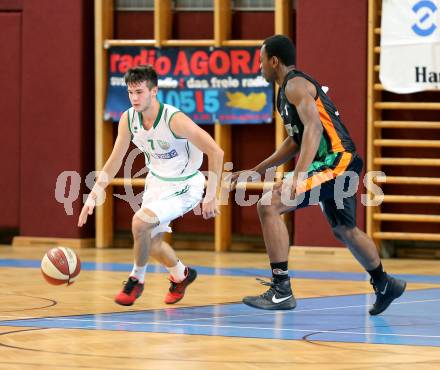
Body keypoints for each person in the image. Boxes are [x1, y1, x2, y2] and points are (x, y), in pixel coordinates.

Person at [231, 35, 406, 314]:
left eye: (261, 59)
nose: (259, 66)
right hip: (341, 161)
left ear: (273, 61)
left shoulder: (295, 85)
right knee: (344, 229)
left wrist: (298, 178)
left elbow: (313, 128)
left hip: (335, 160)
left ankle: (281, 290)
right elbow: (296, 140)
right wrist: (258, 169)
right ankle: (385, 283)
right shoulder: (283, 93)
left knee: (269, 205)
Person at [78, 65, 224, 306]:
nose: (134, 98)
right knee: (152, 244)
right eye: (130, 92)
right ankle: (181, 276)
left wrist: (212, 195)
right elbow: (115, 159)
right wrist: (94, 193)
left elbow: (216, 152)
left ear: (154, 91)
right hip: (156, 182)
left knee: (139, 222)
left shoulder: (174, 120)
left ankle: (136, 280)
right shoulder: (128, 119)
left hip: (186, 184)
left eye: (140, 92)